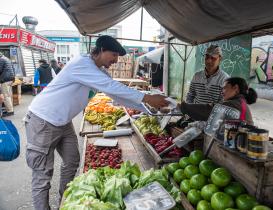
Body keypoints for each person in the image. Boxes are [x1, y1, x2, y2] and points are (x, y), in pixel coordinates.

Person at [24, 35, 169, 210]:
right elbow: (113, 87)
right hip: (43, 120)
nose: (115, 60)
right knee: (43, 174)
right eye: (113, 55)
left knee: (71, 161)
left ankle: (65, 202)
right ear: (100, 50)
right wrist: (147, 97)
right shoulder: (82, 64)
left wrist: (149, 108)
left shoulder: (98, 70)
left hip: (63, 121)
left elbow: (115, 95)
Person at [180, 77, 257, 125]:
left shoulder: (235, 104)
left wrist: (183, 107)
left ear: (235, 88)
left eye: (224, 88)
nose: (221, 91)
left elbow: (209, 110)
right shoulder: (240, 102)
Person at [0, 53, 14, 117]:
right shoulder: (6, 58)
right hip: (10, 79)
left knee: (5, 96)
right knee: (8, 95)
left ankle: (10, 111)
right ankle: (10, 109)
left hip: (5, 79)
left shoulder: (1, 60)